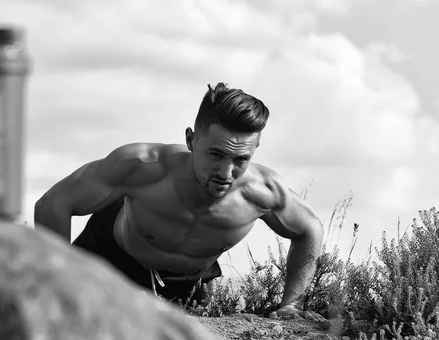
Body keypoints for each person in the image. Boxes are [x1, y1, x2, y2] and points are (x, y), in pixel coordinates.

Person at [34, 82, 325, 321]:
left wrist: (292, 304)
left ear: (255, 149)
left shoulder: (262, 193)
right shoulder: (143, 166)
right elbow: (53, 204)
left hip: (183, 287)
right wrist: (59, 281)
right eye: (215, 155)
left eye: (241, 159)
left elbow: (309, 228)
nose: (226, 173)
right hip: (111, 257)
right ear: (191, 140)